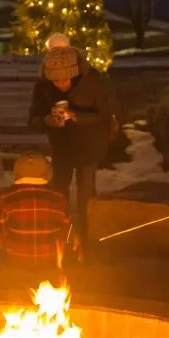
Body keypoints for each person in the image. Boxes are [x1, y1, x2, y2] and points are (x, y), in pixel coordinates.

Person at [27, 45, 113, 257]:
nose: (60, 84)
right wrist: (47, 120)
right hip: (62, 148)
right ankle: (59, 241)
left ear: (74, 73)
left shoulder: (93, 82)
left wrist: (76, 116)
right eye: (55, 81)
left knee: (86, 196)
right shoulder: (43, 87)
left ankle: (88, 242)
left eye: (64, 79)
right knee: (58, 194)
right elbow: (33, 120)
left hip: (89, 146)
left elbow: (104, 114)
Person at [0, 154, 70, 287]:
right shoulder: (58, 198)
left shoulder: (7, 197)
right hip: (49, 266)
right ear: (47, 173)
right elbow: (65, 233)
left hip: (16, 264)